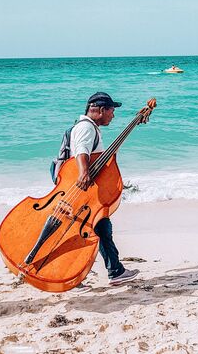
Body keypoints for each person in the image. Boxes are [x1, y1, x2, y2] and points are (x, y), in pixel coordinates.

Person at [69, 91, 140, 286]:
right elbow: (81, 150)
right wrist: (84, 173)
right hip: (80, 186)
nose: (113, 115)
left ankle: (115, 271)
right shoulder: (86, 128)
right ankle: (77, 277)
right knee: (87, 229)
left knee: (101, 227)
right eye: (111, 110)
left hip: (83, 187)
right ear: (100, 110)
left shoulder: (89, 127)